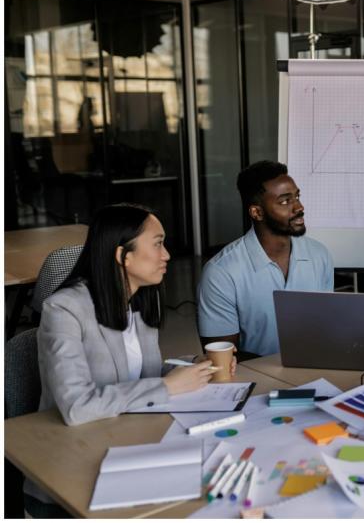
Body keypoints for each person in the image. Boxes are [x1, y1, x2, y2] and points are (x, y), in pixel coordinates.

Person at [27, 204, 225, 516]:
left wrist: (192, 366)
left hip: (128, 443)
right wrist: (167, 387)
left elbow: (142, 375)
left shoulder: (139, 299)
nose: (167, 255)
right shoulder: (63, 310)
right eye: (158, 244)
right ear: (123, 256)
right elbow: (77, 407)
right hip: (74, 466)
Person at [197, 161, 334, 357]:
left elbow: (327, 329)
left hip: (316, 371)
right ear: (257, 212)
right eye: (285, 201)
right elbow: (222, 360)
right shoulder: (221, 272)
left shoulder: (320, 255)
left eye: (297, 196)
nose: (299, 207)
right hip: (258, 382)